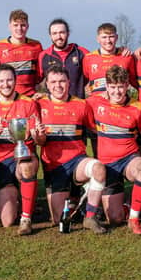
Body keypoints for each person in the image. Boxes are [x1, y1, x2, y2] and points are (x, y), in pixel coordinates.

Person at [36, 65, 107, 234]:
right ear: (47, 84)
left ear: (69, 82)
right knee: (58, 219)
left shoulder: (82, 105)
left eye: (62, 81)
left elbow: (96, 131)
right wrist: (39, 136)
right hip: (54, 166)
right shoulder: (38, 105)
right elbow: (39, 142)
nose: (58, 85)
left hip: (77, 161)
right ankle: (77, 194)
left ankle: (89, 216)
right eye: (53, 82)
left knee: (98, 168)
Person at [0, 64, 43, 235]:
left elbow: (41, 141)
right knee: (7, 221)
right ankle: (20, 197)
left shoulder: (28, 103)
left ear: (15, 81)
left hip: (24, 156)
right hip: (2, 162)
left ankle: (26, 218)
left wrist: (37, 135)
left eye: (9, 80)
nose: (6, 84)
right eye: (2, 81)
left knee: (27, 166)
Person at [87, 65, 141, 234]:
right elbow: (70, 105)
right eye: (113, 87)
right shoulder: (94, 102)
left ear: (127, 86)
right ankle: (126, 206)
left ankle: (134, 219)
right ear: (107, 86)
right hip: (107, 165)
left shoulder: (138, 107)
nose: (117, 92)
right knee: (115, 219)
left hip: (129, 159)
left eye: (121, 87)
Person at [0, 9, 43, 96]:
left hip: (30, 96)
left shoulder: (36, 46)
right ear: (9, 26)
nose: (19, 28)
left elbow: (40, 72)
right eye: (15, 25)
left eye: (23, 25)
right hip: (7, 97)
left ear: (28, 26)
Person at [38, 18, 89, 98]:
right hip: (53, 107)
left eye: (62, 32)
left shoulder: (81, 53)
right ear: (50, 36)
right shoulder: (44, 56)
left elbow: (95, 75)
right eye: (54, 33)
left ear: (68, 33)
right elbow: (35, 81)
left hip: (77, 105)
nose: (58, 37)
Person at [83, 23, 137, 97]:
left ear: (117, 37)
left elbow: (136, 82)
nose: (108, 41)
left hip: (120, 104)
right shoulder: (89, 58)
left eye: (111, 37)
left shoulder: (126, 56)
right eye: (104, 37)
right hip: (96, 104)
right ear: (98, 39)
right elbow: (82, 82)